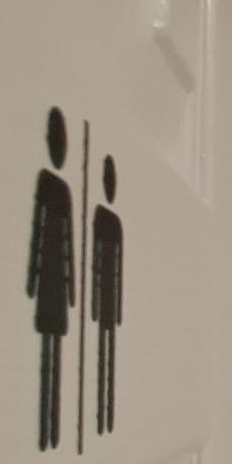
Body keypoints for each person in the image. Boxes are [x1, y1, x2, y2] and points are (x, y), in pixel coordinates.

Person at [27, 107, 75, 450]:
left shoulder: (57, 189)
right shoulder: (49, 185)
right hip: (49, 282)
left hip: (51, 282)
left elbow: (63, 241)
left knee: (52, 354)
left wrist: (70, 292)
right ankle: (47, 430)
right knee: (47, 355)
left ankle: (52, 430)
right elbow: (39, 234)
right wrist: (33, 281)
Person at [92, 156, 123, 434]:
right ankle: (101, 412)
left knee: (109, 352)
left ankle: (106, 412)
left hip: (108, 297)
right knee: (103, 351)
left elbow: (117, 268)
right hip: (105, 295)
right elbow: (95, 261)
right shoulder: (102, 218)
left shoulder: (110, 221)